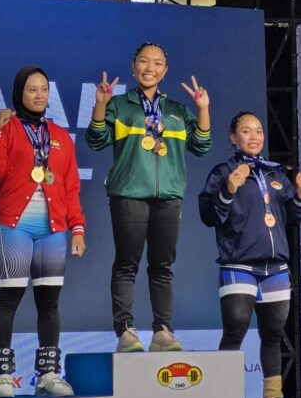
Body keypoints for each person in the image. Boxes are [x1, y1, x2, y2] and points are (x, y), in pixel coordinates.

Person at [86, 41, 211, 352]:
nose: (150, 68)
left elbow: (201, 146)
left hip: (169, 197)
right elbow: (96, 140)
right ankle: (126, 331)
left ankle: (163, 331)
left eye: (157, 63)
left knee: (162, 267)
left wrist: (202, 109)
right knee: (126, 264)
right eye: (144, 61)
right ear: (133, 66)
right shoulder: (120, 105)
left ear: (165, 71)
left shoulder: (177, 111)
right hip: (128, 194)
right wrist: (100, 104)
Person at [198, 110, 301, 398]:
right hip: (239, 266)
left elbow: (291, 219)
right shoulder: (223, 172)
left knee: (273, 335)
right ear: (233, 137)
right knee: (235, 330)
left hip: (275, 268)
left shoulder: (275, 174)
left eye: (259, 131)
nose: (254, 136)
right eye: (246, 131)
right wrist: (228, 190)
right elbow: (209, 216)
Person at [0, 65, 86, 398]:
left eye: (43, 89)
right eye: (31, 89)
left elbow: (70, 186)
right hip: (15, 225)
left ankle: (48, 374)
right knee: (8, 300)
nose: (39, 95)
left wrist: (77, 228)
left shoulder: (60, 136)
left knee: (49, 302)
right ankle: (2, 376)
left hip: (52, 228)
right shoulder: (8, 127)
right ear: (19, 93)